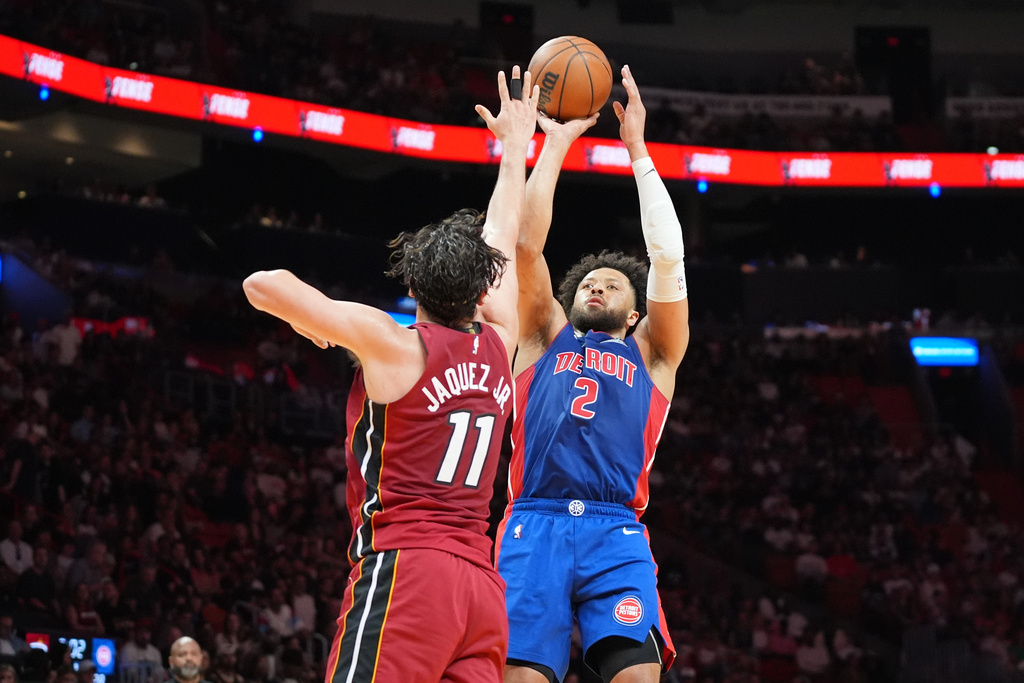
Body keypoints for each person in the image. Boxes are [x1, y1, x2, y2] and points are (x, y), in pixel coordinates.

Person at [242, 66, 539, 683]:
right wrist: (517, 150)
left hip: (409, 571)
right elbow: (503, 231)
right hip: (483, 589)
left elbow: (261, 285)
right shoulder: (501, 338)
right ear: (485, 289)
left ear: (410, 288)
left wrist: (311, 321)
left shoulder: (393, 344)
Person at [497, 64, 690, 683]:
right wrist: (553, 145)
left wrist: (637, 152)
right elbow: (526, 245)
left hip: (616, 531)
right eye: (586, 281)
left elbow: (667, 254)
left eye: (611, 283)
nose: (596, 284)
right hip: (534, 521)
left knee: (637, 677)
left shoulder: (655, 355)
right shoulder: (541, 337)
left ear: (636, 312)